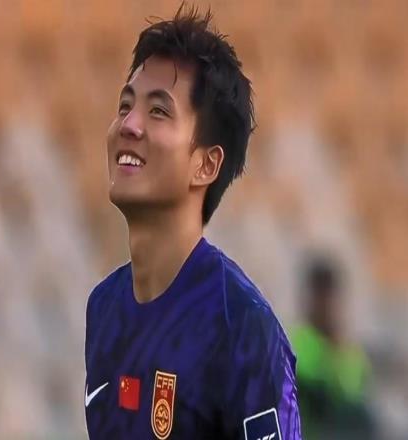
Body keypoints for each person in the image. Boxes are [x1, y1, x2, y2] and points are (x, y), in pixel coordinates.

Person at [85, 5, 301, 439]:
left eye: (158, 111)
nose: (129, 124)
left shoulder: (242, 327)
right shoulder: (104, 307)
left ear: (206, 165)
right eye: (125, 105)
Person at [290, 256, 375, 440]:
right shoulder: (297, 345)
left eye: (331, 296)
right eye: (321, 296)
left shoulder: (352, 355)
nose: (327, 305)